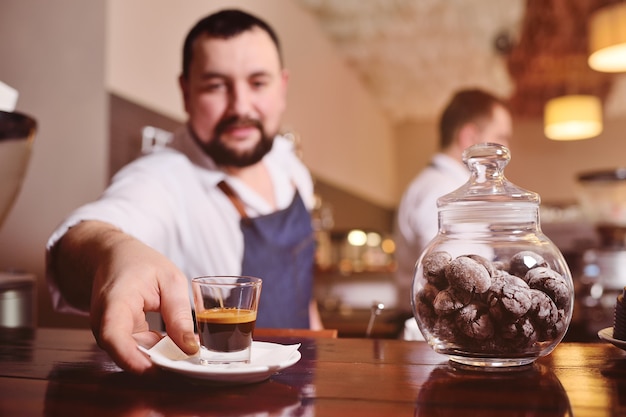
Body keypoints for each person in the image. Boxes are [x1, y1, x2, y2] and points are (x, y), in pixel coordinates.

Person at [45, 9, 323, 374]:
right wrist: (114, 254)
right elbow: (81, 238)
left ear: (282, 87)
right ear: (185, 91)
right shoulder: (162, 177)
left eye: (258, 83)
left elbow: (304, 293)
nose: (240, 106)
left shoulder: (290, 165)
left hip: (304, 382)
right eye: (215, 85)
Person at [394, 88, 512, 338]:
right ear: (469, 137)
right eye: (501, 137)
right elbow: (450, 280)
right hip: (439, 333)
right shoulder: (443, 191)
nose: (508, 148)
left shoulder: (443, 186)